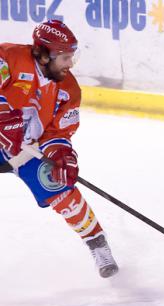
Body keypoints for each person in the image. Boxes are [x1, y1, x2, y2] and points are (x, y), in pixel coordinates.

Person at [0, 20, 118, 278]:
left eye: (71, 57)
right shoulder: (8, 57)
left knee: (61, 190)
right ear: (43, 55)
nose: (70, 64)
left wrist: (61, 154)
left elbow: (58, 131)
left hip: (26, 151)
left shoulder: (68, 89)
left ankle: (97, 244)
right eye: (64, 57)